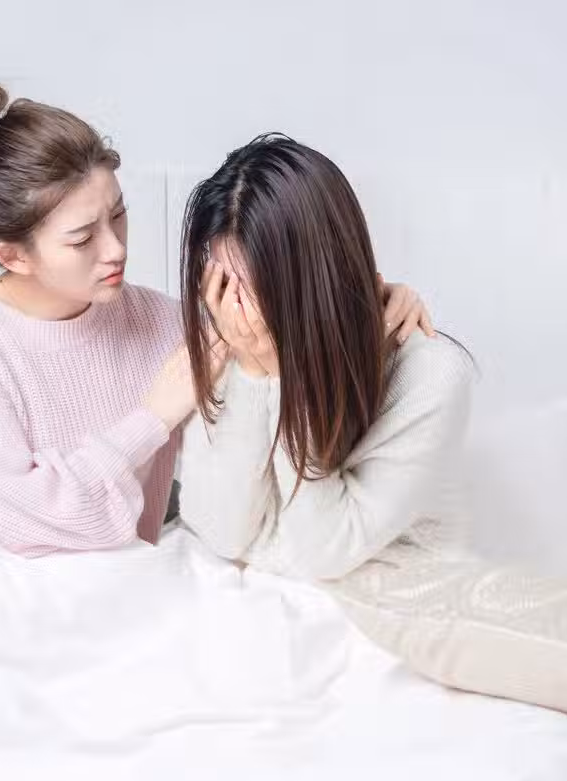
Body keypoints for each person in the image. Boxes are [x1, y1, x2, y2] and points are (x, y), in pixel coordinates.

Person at [0, 84, 432, 556]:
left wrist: (370, 302)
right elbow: (26, 520)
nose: (115, 249)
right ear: (14, 256)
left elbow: (277, 354)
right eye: (82, 239)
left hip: (114, 584)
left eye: (118, 215)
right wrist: (152, 419)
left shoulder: (169, 325)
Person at [177, 134, 475, 581]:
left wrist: (285, 379)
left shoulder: (432, 376)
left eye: (257, 285)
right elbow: (222, 534)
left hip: (403, 596)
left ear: (319, 278)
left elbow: (319, 553)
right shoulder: (232, 341)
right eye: (225, 283)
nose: (237, 309)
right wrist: (254, 372)